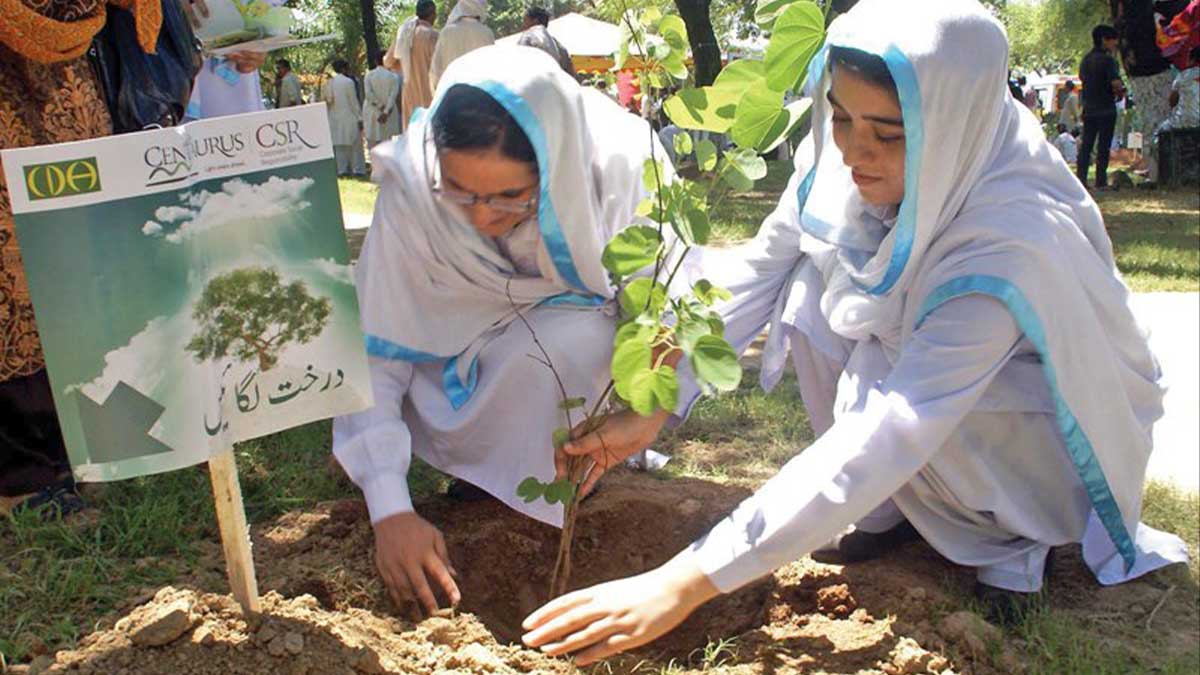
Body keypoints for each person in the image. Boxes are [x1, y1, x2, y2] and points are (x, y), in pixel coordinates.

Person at [520, 0, 1188, 664]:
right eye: (840, 118)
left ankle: (1010, 545)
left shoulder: (1009, 235)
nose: (854, 149)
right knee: (810, 289)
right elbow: (756, 275)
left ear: (946, 122)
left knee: (923, 402)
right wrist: (654, 403)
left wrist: (681, 582)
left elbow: (897, 424)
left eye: (889, 134)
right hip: (919, 388)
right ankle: (890, 511)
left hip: (1022, 434)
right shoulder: (840, 154)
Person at [333, 45, 685, 615]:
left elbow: (668, 301)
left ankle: (562, 479)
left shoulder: (621, 163)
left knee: (577, 344)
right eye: (461, 191)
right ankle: (481, 474)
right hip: (452, 362)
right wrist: (389, 506)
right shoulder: (415, 188)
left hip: (569, 334)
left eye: (508, 198)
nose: (481, 217)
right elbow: (376, 344)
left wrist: (648, 415)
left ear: (556, 167)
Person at [1, 0, 189, 512]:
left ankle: (90, 445)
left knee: (85, 248)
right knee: (14, 271)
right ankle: (25, 473)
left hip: (78, 74)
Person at [1077, 25, 1125, 189]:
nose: (1114, 46)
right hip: (1105, 107)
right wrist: (1120, 92)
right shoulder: (1108, 61)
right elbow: (1116, 83)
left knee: (1086, 145)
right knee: (1103, 146)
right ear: (1104, 39)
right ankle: (1100, 181)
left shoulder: (1085, 60)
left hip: (1089, 107)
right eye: (1113, 42)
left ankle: (1081, 179)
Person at [385, 0, 439, 131]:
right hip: (430, 94)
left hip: (409, 95)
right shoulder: (433, 35)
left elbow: (387, 61)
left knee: (413, 136)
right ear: (432, 14)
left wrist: (403, 67)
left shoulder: (404, 34)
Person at [429, 0, 495, 92]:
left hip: (451, 94)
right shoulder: (487, 33)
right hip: (478, 94)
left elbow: (435, 69)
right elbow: (492, 69)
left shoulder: (446, 32)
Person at [323, 59, 366, 177]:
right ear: (343, 69)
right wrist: (359, 117)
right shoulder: (348, 82)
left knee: (339, 145)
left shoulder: (329, 83)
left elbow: (327, 101)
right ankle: (357, 169)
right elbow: (353, 101)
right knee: (355, 145)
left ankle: (342, 169)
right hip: (349, 115)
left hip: (334, 117)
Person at [517, 6, 575, 76]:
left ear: (535, 21)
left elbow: (518, 65)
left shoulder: (527, 37)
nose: (523, 25)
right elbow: (571, 74)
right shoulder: (559, 46)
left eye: (525, 21)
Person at [363, 54, 402, 150]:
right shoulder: (393, 76)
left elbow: (369, 94)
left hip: (373, 112)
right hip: (389, 114)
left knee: (374, 142)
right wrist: (386, 111)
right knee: (390, 142)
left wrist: (380, 106)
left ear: (376, 61)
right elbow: (393, 96)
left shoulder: (369, 75)